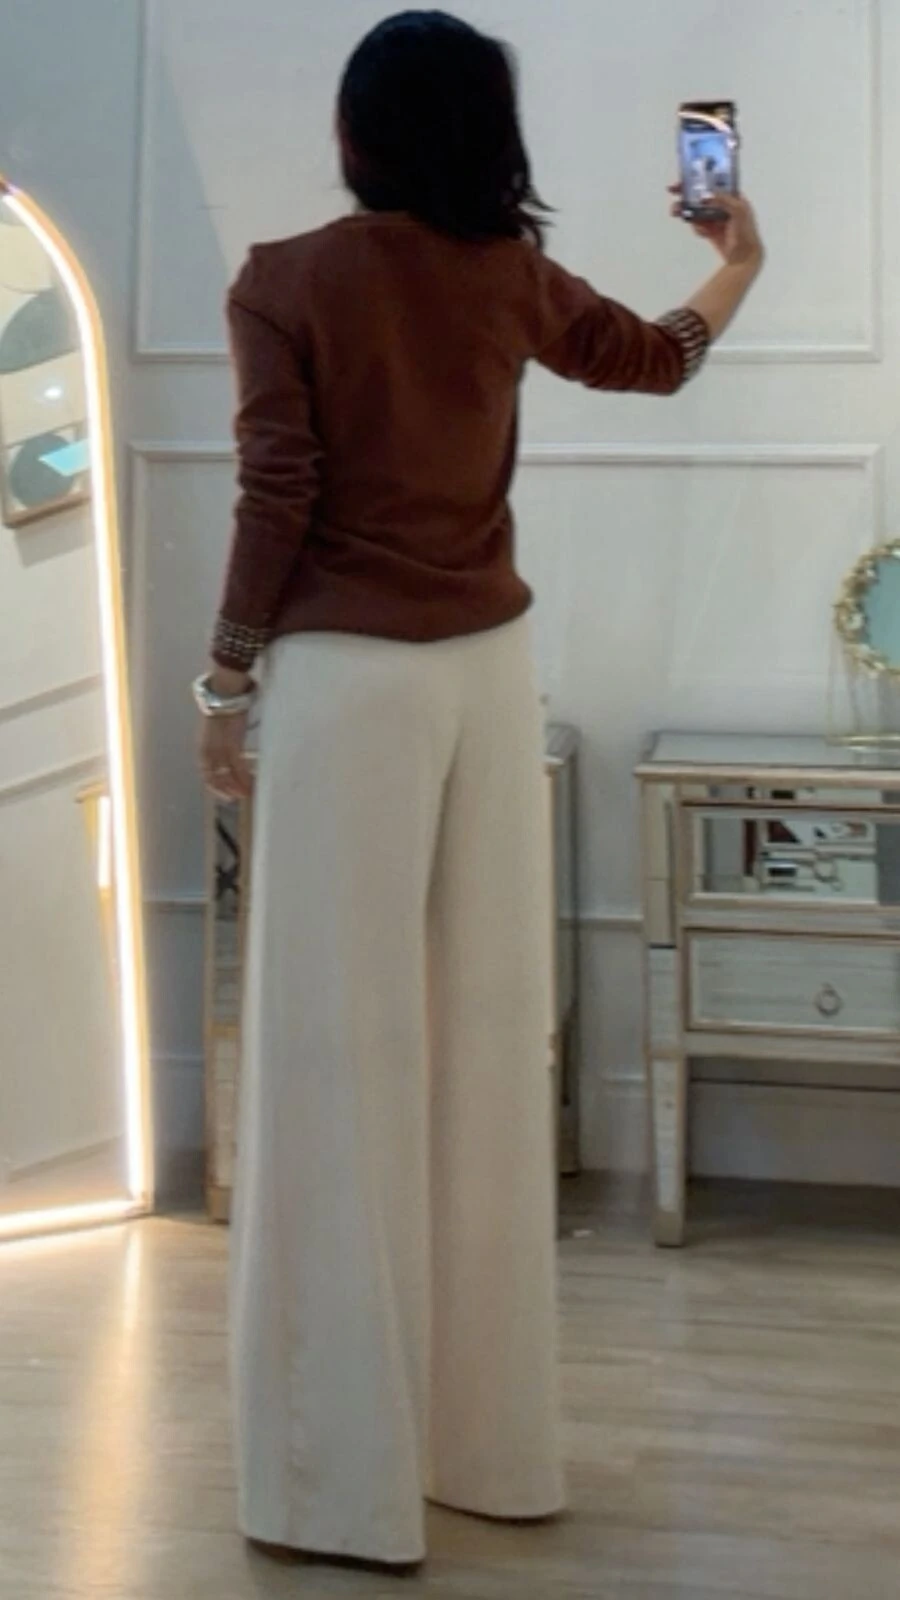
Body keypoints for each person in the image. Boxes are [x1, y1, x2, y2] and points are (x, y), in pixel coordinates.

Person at [195, 8, 764, 1573]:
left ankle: (339, 1489)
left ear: (355, 132)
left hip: (346, 685)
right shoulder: (507, 273)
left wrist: (224, 683)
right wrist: (740, 259)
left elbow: (279, 492)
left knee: (331, 1065)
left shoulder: (284, 281)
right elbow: (654, 360)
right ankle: (490, 1451)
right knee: (484, 1053)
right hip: (488, 677)